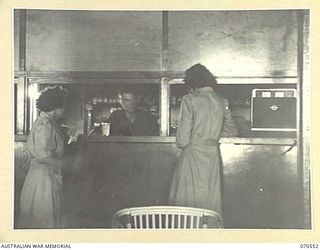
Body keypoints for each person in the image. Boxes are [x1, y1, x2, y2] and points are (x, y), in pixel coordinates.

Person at [168, 64, 238, 221]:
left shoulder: (190, 99)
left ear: (192, 83)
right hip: (212, 155)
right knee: (209, 203)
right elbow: (232, 131)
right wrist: (211, 135)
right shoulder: (222, 100)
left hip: (192, 155)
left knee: (186, 205)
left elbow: (182, 140)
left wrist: (197, 136)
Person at [18, 85, 77, 229]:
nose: (65, 110)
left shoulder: (49, 123)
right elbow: (43, 157)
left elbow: (50, 140)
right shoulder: (45, 125)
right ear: (57, 107)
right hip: (42, 183)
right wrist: (69, 163)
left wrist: (65, 131)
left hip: (46, 179)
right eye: (64, 106)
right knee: (43, 225)